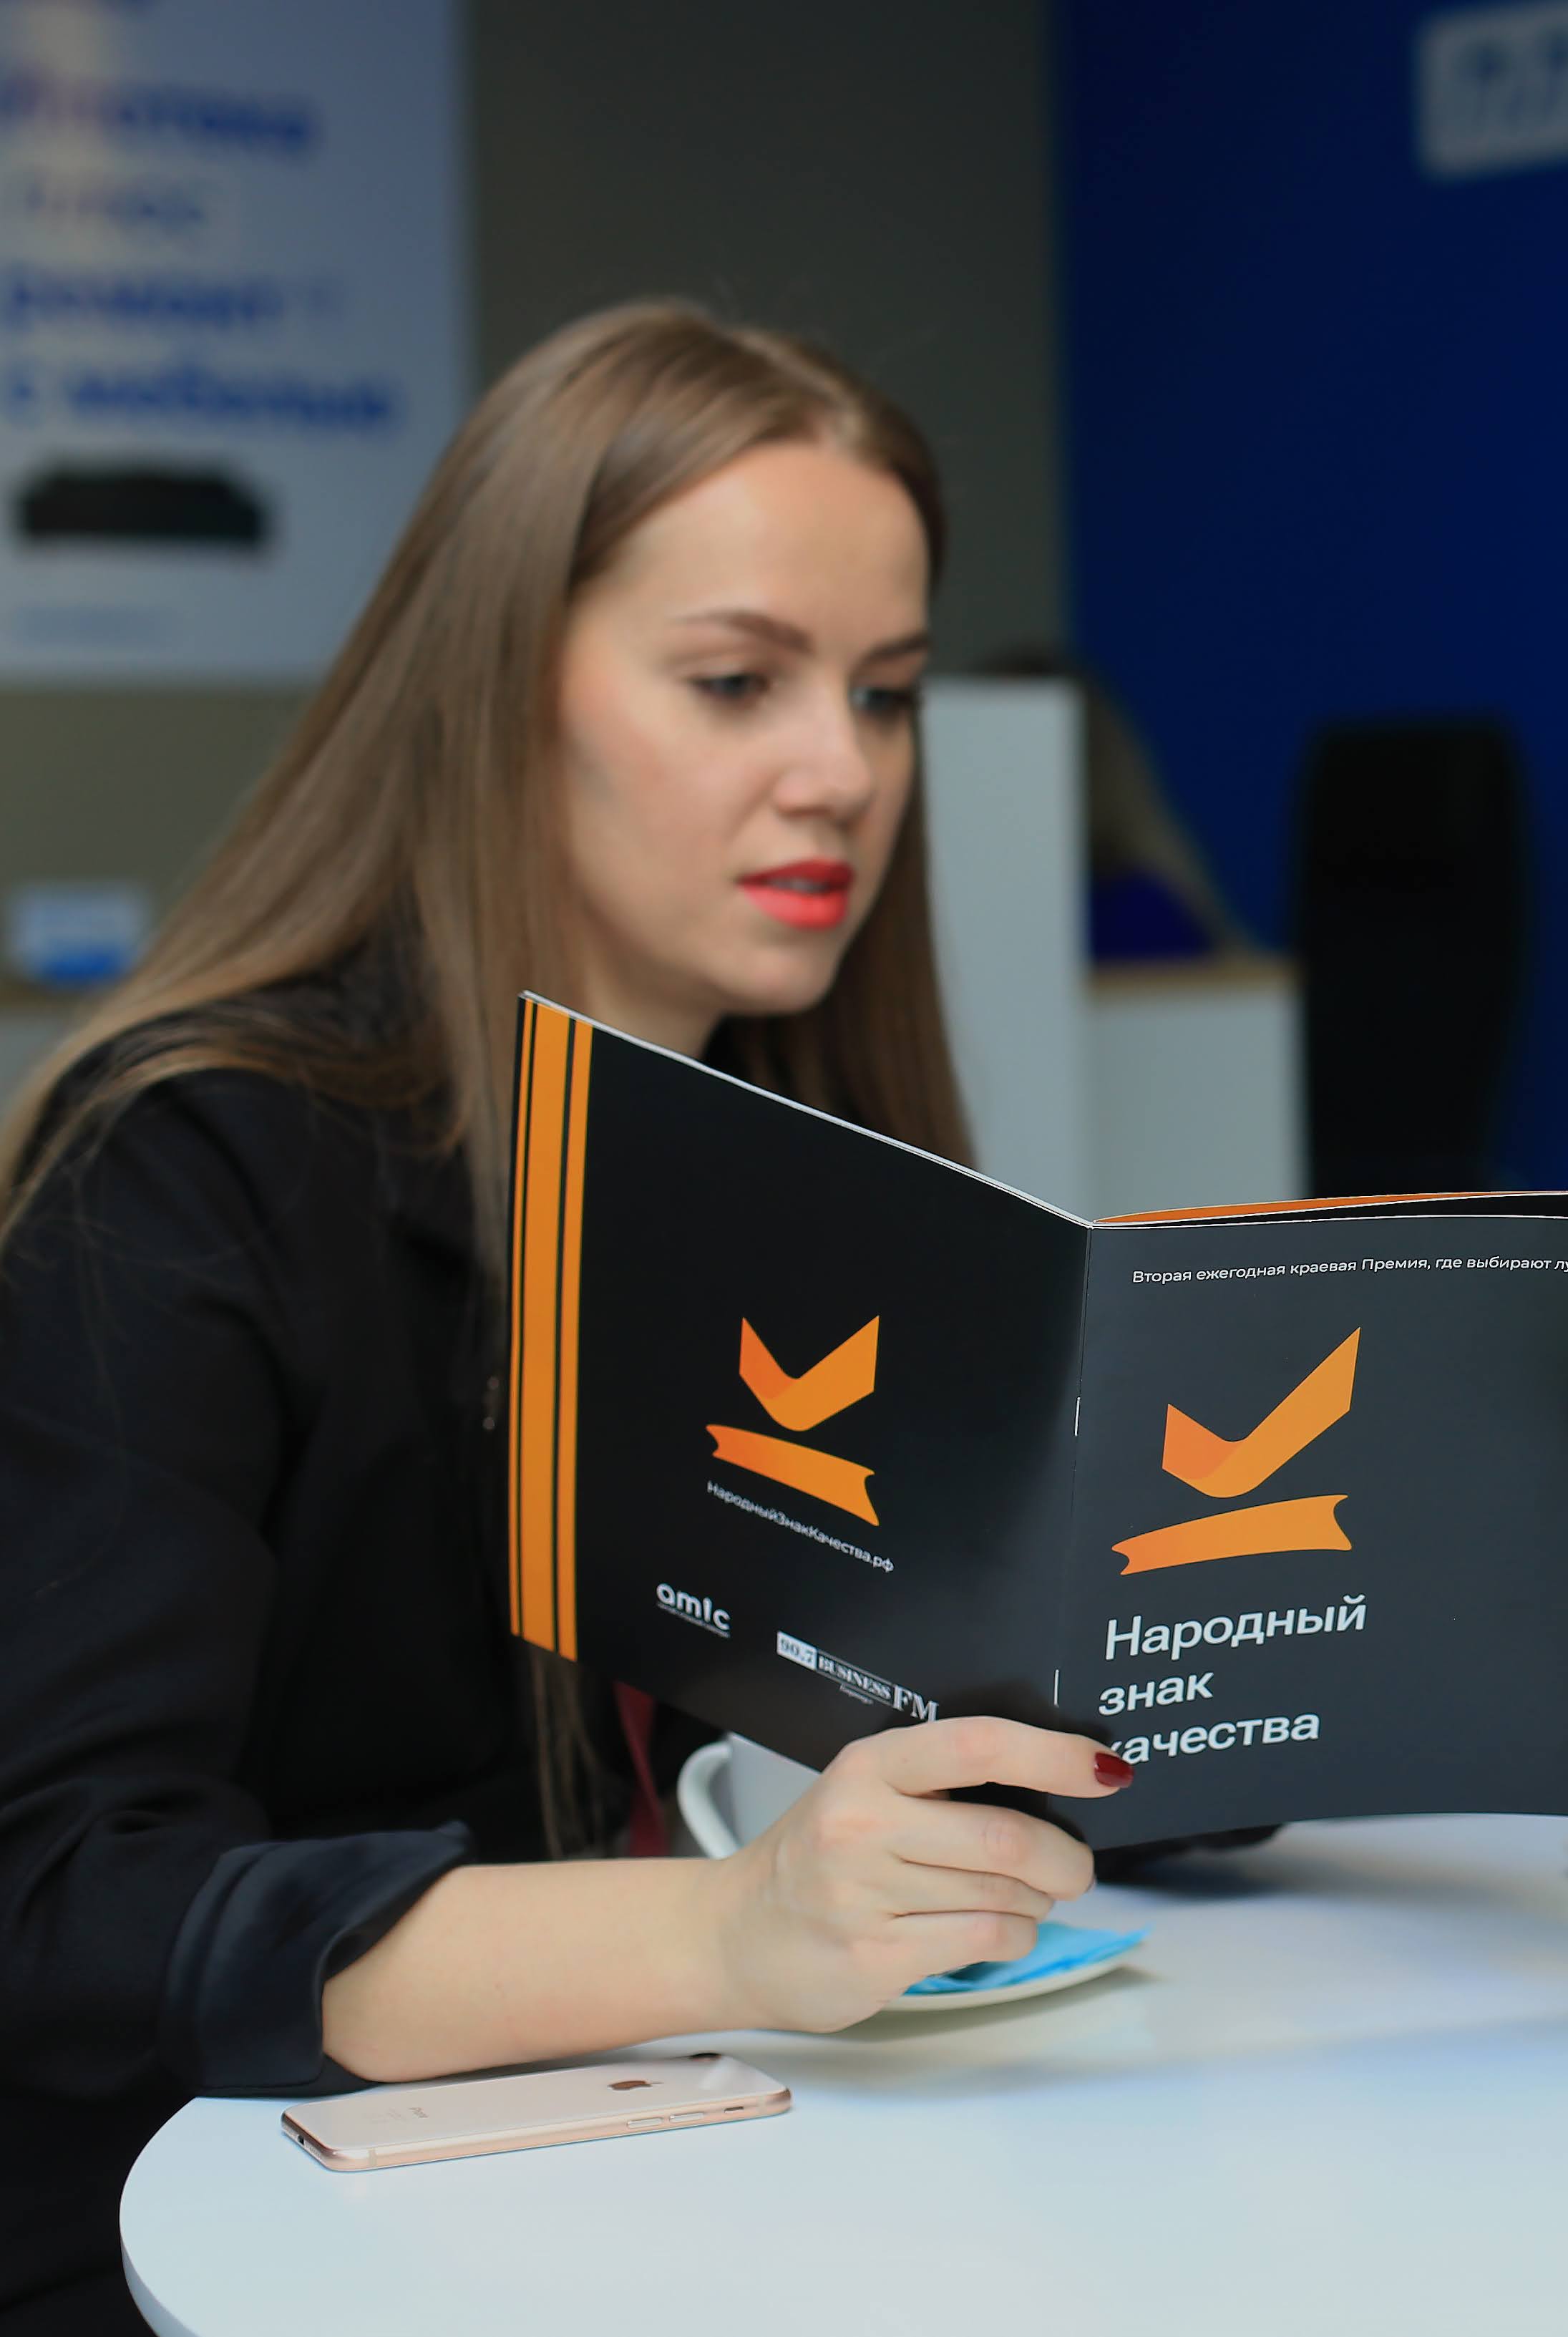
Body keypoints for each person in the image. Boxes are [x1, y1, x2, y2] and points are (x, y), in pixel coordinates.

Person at [0, 303, 1126, 2335]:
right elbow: (69, 1903)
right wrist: (725, 1931)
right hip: (232, 2241)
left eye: (884, 694)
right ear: (497, 693)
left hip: (670, 2176)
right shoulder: (184, 1167)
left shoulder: (808, 1167)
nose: (842, 772)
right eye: (736, 681)